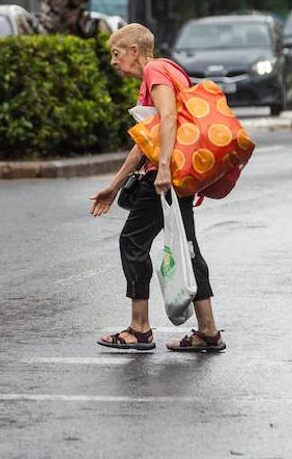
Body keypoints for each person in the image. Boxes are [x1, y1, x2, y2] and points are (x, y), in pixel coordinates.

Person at [88, 23, 226, 353]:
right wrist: (113, 186)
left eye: (116, 53)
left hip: (165, 176)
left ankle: (139, 329)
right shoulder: (166, 72)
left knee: (133, 241)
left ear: (134, 51)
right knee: (186, 247)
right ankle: (208, 331)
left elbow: (167, 119)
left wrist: (163, 167)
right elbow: (143, 143)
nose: (113, 61)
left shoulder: (155, 71)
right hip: (173, 173)